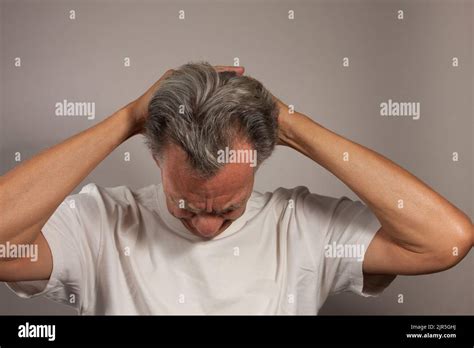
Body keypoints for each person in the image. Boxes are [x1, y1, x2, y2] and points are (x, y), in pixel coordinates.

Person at [0, 62, 471, 314]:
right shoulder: (99, 225)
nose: (206, 227)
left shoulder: (302, 228)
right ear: (156, 157)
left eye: (228, 209)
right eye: (184, 207)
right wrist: (129, 118)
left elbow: (446, 241)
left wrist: (291, 125)